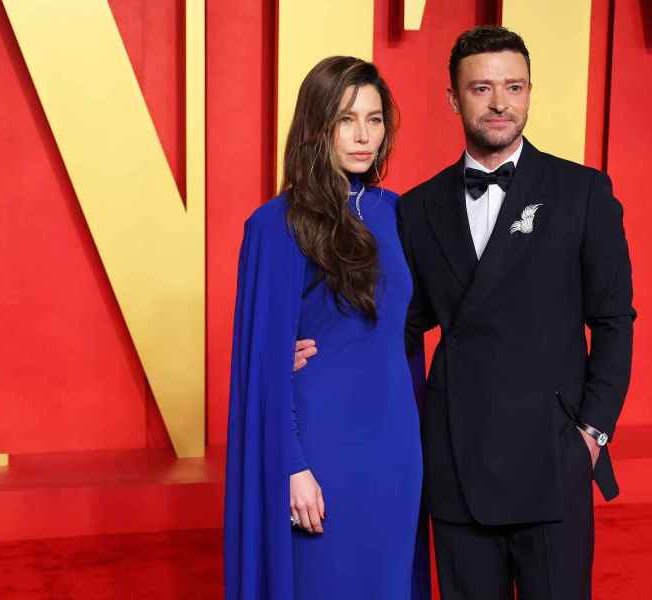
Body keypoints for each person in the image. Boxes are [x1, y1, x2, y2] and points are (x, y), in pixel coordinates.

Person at [398, 26, 636, 599]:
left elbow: (613, 321)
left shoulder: (582, 192)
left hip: (552, 459)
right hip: (457, 458)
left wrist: (591, 436)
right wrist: (313, 347)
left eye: (514, 86)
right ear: (453, 98)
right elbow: (401, 324)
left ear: (530, 92)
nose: (500, 103)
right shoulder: (418, 208)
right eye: (481, 88)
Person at [224, 56, 424, 600]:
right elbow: (262, 359)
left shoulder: (402, 214)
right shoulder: (276, 224)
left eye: (375, 119)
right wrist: (290, 465)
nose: (364, 136)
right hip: (322, 444)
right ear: (318, 127)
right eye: (346, 120)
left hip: (397, 444)